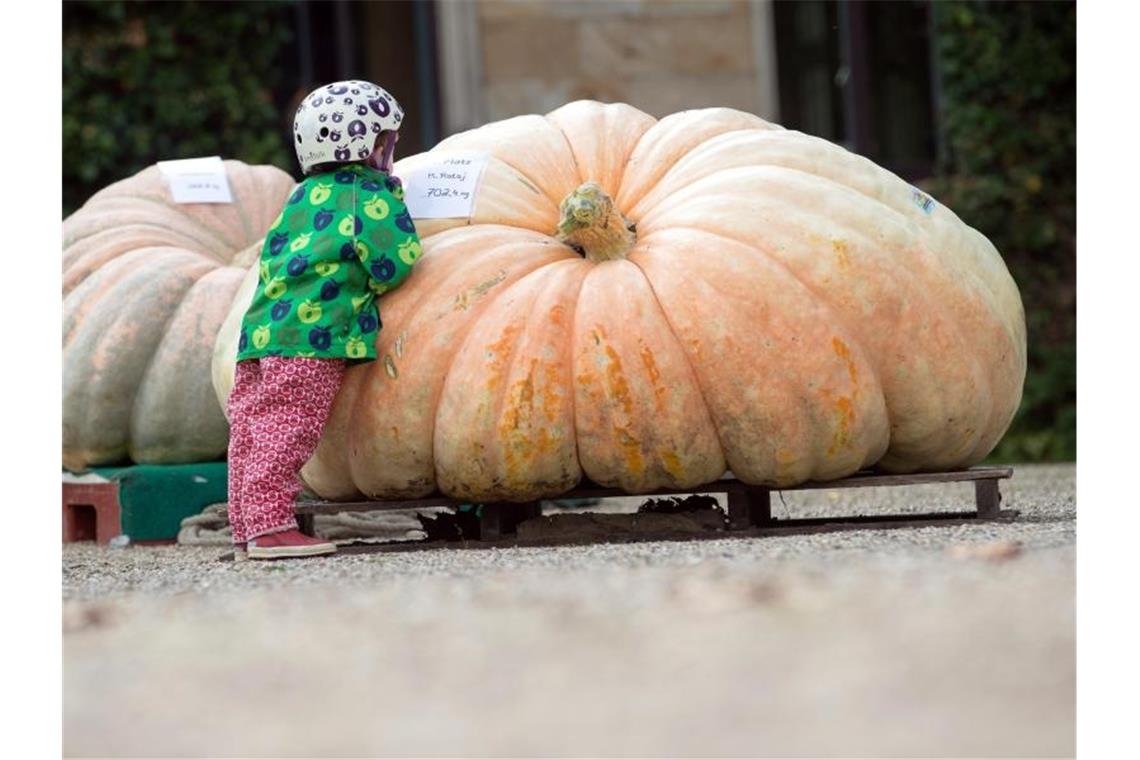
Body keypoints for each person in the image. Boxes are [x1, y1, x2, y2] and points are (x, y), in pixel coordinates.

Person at [226, 80, 422, 561]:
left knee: (251, 427)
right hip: (309, 339)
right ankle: (272, 529)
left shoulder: (301, 196)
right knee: (289, 426)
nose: (391, 150)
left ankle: (247, 524)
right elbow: (394, 263)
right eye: (388, 141)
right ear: (370, 145)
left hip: (260, 332)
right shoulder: (364, 195)